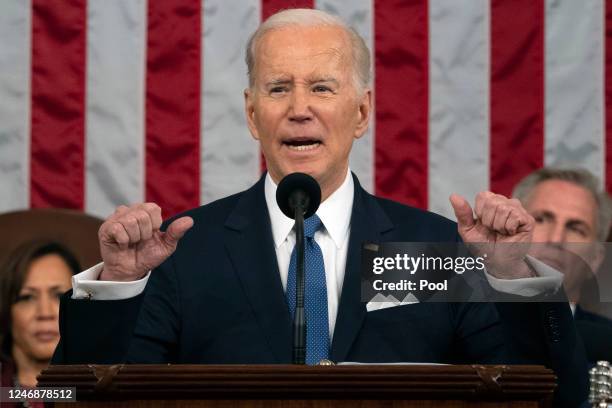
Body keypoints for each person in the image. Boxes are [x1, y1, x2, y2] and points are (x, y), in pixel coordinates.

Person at [53, 9, 587, 406]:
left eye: (322, 88)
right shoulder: (182, 250)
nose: (299, 109)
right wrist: (118, 285)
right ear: (251, 112)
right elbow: (67, 399)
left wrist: (512, 278)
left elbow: (556, 398)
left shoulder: (433, 251)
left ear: (361, 111)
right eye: (279, 87)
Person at [513, 167, 612, 362]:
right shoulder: (461, 328)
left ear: (595, 258)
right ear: (510, 230)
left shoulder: (607, 346)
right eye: (541, 219)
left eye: (576, 229)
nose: (556, 239)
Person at [0, 240, 79, 394]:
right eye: (27, 297)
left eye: (59, 295)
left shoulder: (103, 390)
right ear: (7, 310)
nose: (45, 313)